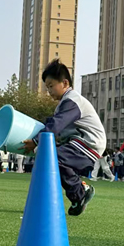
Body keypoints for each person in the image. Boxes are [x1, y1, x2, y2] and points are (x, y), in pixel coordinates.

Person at [23, 59, 106, 216]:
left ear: (65, 83)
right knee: (48, 159)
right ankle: (76, 193)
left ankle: (80, 192)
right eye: (47, 88)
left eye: (51, 86)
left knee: (52, 158)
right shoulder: (65, 103)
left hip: (89, 143)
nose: (49, 91)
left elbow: (56, 126)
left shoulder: (72, 101)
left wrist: (35, 141)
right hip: (79, 142)